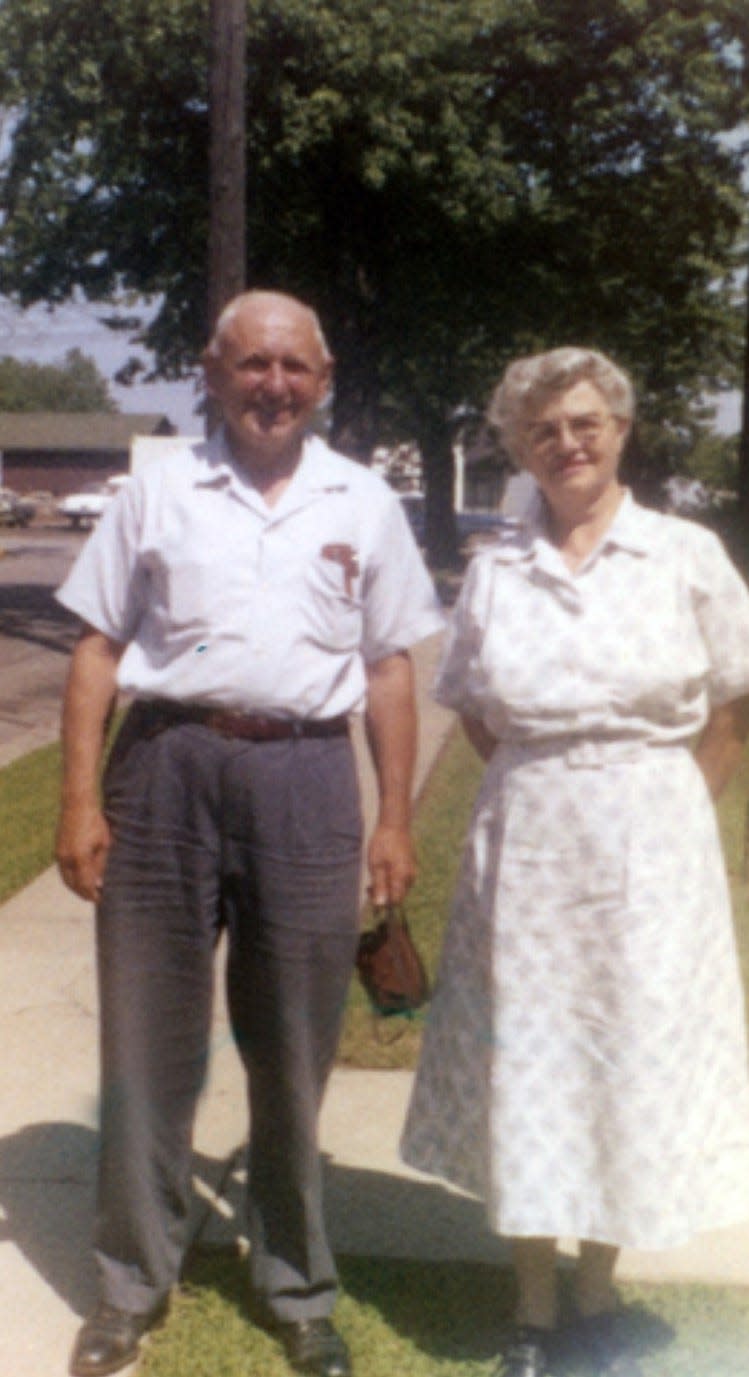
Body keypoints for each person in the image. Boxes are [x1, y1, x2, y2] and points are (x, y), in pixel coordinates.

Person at [55, 289, 444, 1377]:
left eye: (294, 368)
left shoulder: (362, 499)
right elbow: (95, 649)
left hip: (307, 781)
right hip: (164, 771)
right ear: (213, 373)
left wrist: (395, 816)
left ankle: (297, 1287)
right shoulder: (158, 489)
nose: (272, 384)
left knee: (293, 1051)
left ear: (321, 382)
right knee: (147, 1046)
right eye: (251, 364)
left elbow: (386, 669)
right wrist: (81, 800)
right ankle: (130, 1284)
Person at [400, 347, 749, 1377]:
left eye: (585, 421)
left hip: (652, 839)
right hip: (528, 848)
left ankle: (596, 1288)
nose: (568, 443)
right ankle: (531, 1304)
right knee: (529, 1058)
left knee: (625, 1052)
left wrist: (671, 807)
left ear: (619, 428)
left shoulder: (683, 554)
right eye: (543, 430)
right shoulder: (496, 568)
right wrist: (543, 778)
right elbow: (471, 710)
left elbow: (728, 711)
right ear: (519, 448)